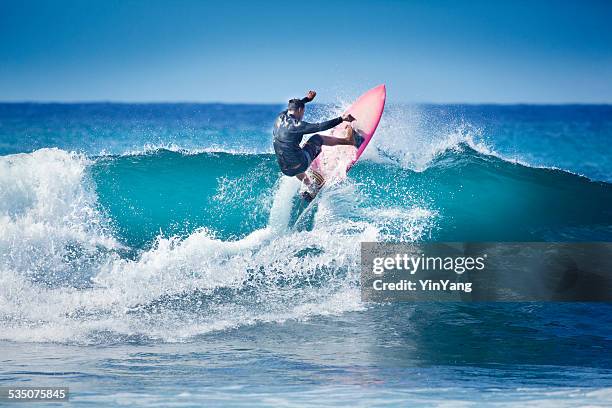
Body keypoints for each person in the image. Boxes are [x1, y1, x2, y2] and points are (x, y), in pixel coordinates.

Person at [272, 90, 363, 196]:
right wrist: (341, 119)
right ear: (300, 110)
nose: (302, 115)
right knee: (317, 138)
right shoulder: (296, 125)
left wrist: (307, 99)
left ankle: (311, 186)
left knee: (291, 155)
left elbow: (295, 106)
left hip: (286, 170)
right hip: (301, 164)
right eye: (303, 112)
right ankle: (348, 140)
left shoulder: (280, 117)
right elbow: (319, 126)